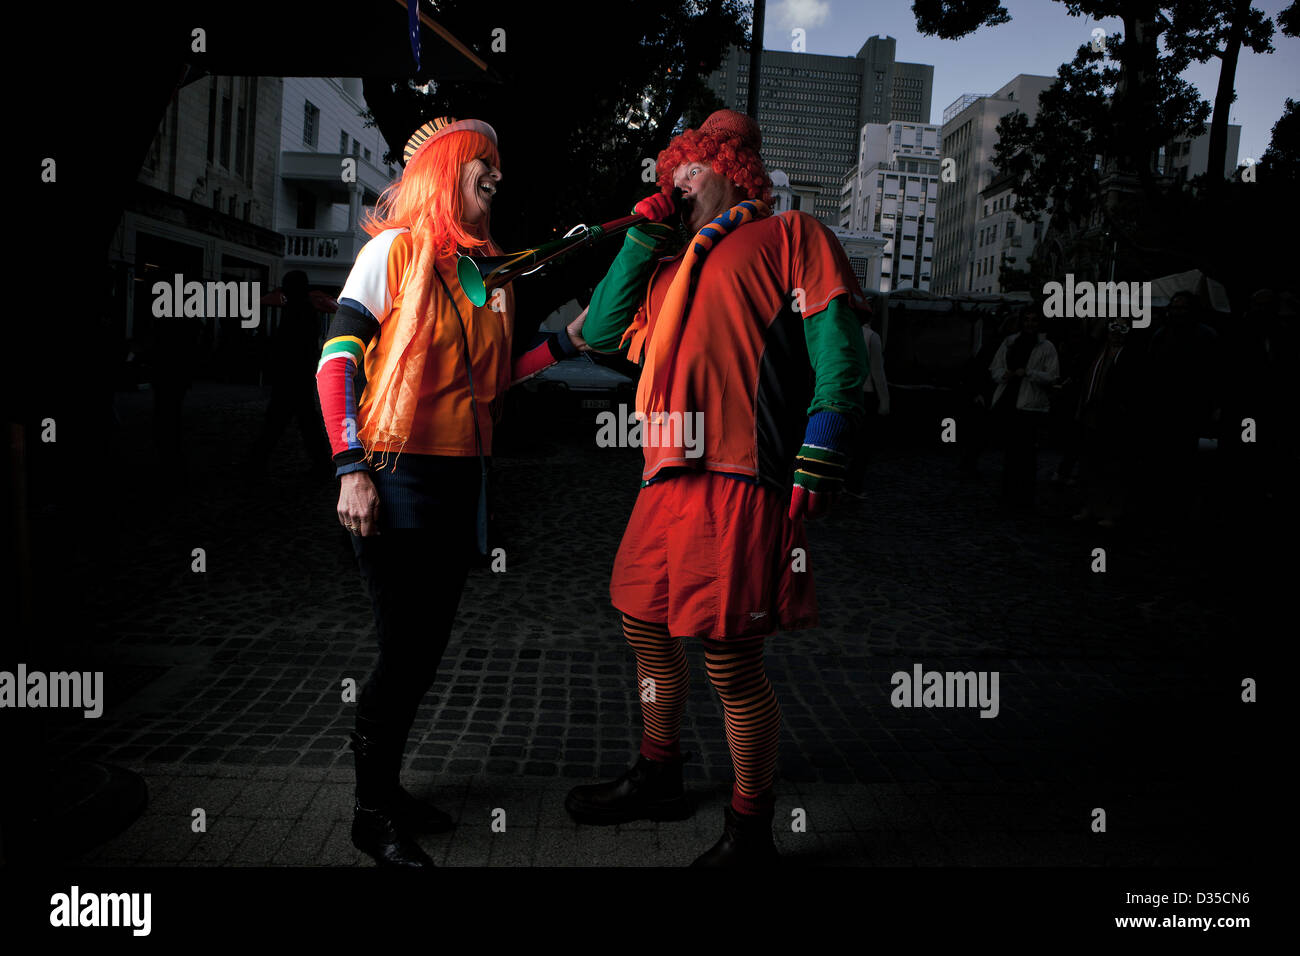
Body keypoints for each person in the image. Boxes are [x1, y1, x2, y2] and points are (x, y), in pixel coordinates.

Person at [562, 109, 869, 865]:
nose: (675, 184)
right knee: (644, 627)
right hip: (665, 477)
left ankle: (750, 828)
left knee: (731, 660)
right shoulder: (664, 271)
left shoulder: (795, 236)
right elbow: (601, 334)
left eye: (687, 170)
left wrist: (824, 441)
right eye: (669, 176)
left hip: (743, 475)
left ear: (730, 165)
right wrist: (640, 236)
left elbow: (839, 341)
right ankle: (660, 772)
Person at [315, 116, 586, 868]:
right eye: (482, 165)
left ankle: (388, 792)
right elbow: (335, 360)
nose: (496, 178)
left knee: (425, 651)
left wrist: (568, 341)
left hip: (458, 478)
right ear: (445, 171)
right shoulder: (392, 251)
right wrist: (350, 467)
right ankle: (372, 815)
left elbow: (492, 380)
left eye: (499, 166)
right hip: (394, 475)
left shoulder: (486, 277)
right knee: (404, 652)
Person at [250, 269, 334, 478]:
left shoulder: (298, 311)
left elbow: (291, 345)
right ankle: (322, 463)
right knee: (304, 424)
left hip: (292, 377)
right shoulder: (303, 310)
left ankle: (257, 463)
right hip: (298, 376)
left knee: (279, 423)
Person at [988, 309, 1058, 508]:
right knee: (1011, 453)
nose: (1029, 324)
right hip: (1010, 403)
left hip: (1031, 407)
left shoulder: (1047, 347)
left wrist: (1028, 373)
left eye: (1033, 320)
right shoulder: (1010, 342)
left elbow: (1052, 376)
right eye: (1026, 320)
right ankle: (1009, 494)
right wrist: (1005, 375)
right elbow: (995, 368)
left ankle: (1024, 496)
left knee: (1027, 455)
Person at [845, 314, 889, 495]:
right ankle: (854, 485)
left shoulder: (845, 333)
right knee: (863, 445)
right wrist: (885, 401)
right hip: (867, 394)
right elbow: (878, 372)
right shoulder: (872, 337)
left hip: (845, 392)